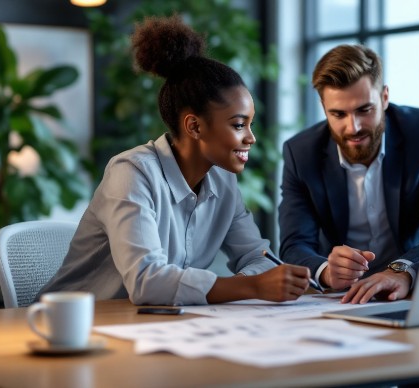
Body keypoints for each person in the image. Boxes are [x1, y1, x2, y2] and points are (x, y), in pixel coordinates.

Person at [38, 16, 311, 305]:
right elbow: (147, 281)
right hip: (71, 327)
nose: (251, 138)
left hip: (151, 327)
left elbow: (259, 256)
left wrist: (254, 282)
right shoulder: (131, 173)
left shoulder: (224, 182)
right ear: (194, 126)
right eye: (239, 125)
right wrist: (253, 287)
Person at [278, 44, 419, 304]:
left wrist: (402, 270)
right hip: (339, 298)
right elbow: (294, 244)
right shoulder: (301, 153)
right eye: (338, 114)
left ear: (384, 97)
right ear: (323, 107)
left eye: (364, 110)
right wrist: (327, 272)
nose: (353, 127)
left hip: (409, 289)